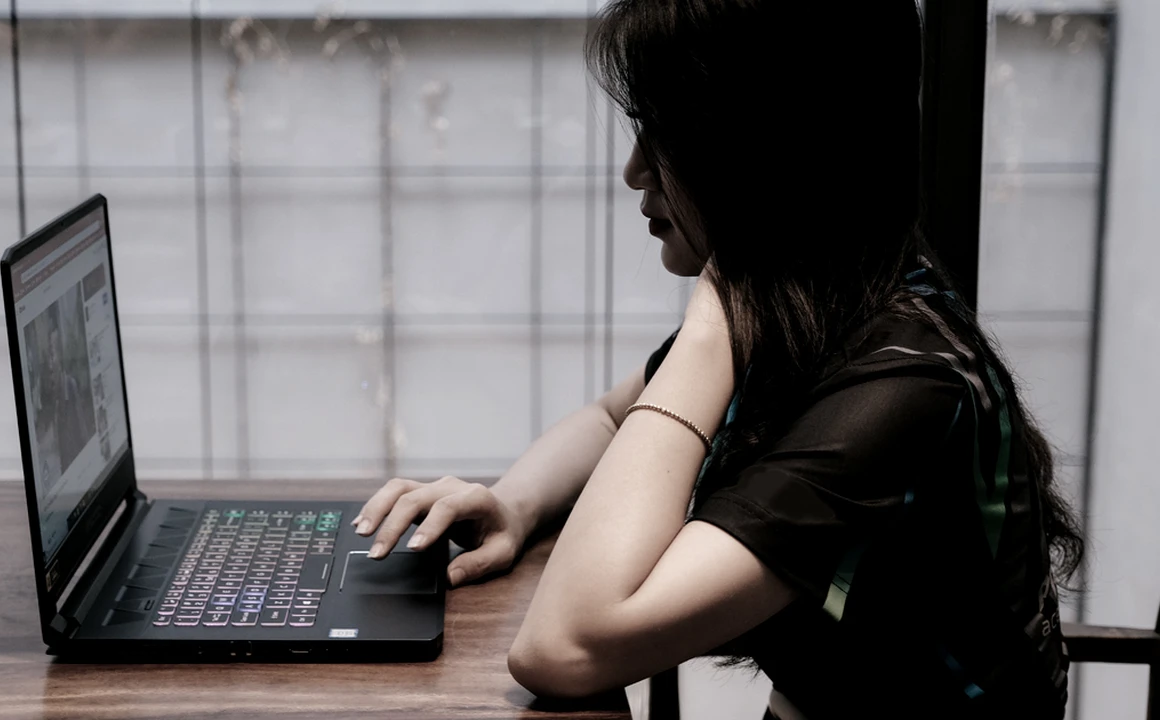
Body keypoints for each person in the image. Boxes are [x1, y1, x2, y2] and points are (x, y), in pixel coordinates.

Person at [354, 1, 1083, 717]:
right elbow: (612, 420)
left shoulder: (902, 390)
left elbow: (565, 648)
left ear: (761, 152)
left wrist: (710, 325)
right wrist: (515, 503)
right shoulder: (823, 299)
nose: (635, 171)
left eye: (662, 135)